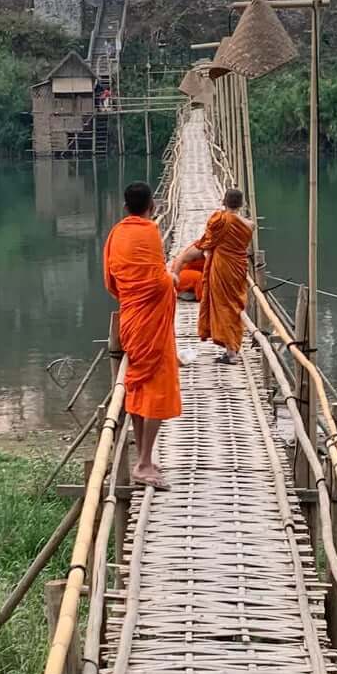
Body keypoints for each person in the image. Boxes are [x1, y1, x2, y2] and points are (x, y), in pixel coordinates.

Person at [103, 181, 181, 487]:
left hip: (132, 320)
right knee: (158, 388)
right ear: (155, 207)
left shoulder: (115, 234)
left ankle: (143, 459)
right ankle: (145, 462)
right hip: (152, 322)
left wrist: (134, 293)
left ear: (125, 208)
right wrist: (171, 279)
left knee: (137, 386)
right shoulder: (150, 232)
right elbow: (157, 277)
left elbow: (111, 282)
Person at [170, 187, 253, 364]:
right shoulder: (249, 225)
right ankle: (232, 348)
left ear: (223, 202)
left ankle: (231, 353)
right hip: (238, 268)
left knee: (223, 306)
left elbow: (207, 241)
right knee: (234, 305)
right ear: (242, 204)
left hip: (222, 267)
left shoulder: (219, 220)